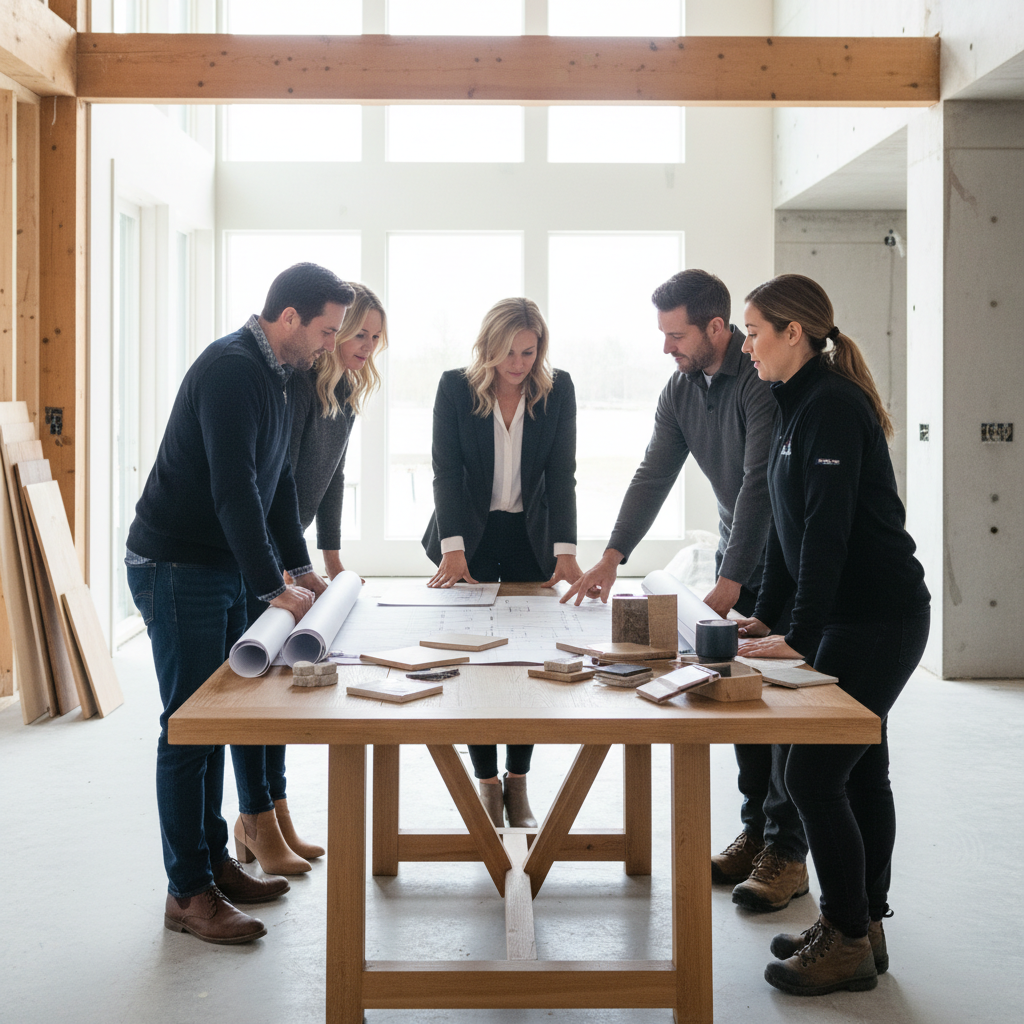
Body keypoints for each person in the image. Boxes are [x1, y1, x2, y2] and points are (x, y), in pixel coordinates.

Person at [561, 269, 807, 910]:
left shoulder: (758, 383)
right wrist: (612, 556)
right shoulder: (679, 389)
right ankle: (756, 832)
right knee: (741, 700)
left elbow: (757, 484)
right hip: (739, 556)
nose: (666, 347)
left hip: (785, 562)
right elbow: (654, 472)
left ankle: (787, 852)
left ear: (716, 328)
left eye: (676, 335)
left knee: (782, 710)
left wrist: (730, 583)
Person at [126, 263, 354, 944]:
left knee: (217, 721)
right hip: (177, 564)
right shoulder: (232, 371)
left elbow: (276, 484)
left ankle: (214, 866)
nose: (331, 344)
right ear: (289, 318)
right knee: (188, 727)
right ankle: (187, 894)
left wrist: (301, 569)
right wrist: (269, 586)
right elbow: (234, 490)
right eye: (326, 330)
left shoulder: (278, 375)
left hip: (216, 562)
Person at [737, 273, 930, 996]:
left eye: (754, 332)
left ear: (794, 333)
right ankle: (863, 926)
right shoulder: (797, 404)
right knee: (861, 770)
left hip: (879, 617)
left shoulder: (834, 407)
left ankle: (845, 935)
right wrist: (768, 613)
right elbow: (786, 531)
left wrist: (800, 634)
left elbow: (827, 532)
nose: (747, 345)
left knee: (813, 775)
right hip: (854, 616)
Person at [234, 284, 387, 875]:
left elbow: (334, 476)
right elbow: (277, 482)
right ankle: (257, 818)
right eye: (358, 334)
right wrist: (282, 567)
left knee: (282, 685)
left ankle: (273, 812)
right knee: (262, 690)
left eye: (376, 337)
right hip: (264, 542)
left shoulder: (345, 391)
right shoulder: (298, 387)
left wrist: (331, 556)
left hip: (290, 543)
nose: (367, 346)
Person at [422, 297, 581, 829]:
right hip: (469, 534)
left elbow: (561, 474)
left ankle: (518, 779)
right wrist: (453, 546)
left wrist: (566, 550)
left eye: (528, 352)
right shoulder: (455, 387)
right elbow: (446, 471)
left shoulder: (557, 390)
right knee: (474, 660)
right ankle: (486, 782)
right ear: (488, 347)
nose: (518, 364)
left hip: (529, 537)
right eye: (508, 352)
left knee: (527, 661)